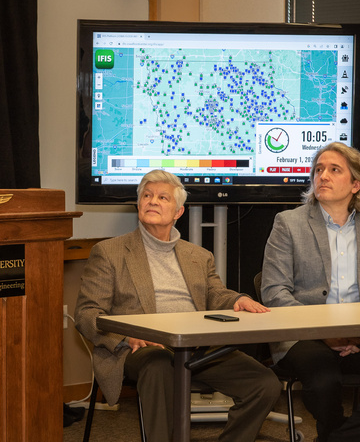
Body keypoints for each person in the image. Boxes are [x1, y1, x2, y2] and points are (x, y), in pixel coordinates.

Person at [75, 169, 281, 442]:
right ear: (138, 204)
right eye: (147, 196)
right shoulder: (109, 252)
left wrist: (237, 300)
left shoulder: (199, 255)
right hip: (141, 348)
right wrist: (125, 336)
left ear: (178, 212)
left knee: (264, 384)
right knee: (159, 366)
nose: (152, 201)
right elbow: (87, 313)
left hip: (196, 347)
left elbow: (215, 294)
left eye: (163, 197)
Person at [261, 142, 360, 442]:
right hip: (303, 334)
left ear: (356, 184)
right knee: (324, 381)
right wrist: (325, 332)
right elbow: (274, 291)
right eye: (319, 169)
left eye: (334, 170)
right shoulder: (288, 223)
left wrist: (358, 334)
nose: (323, 176)